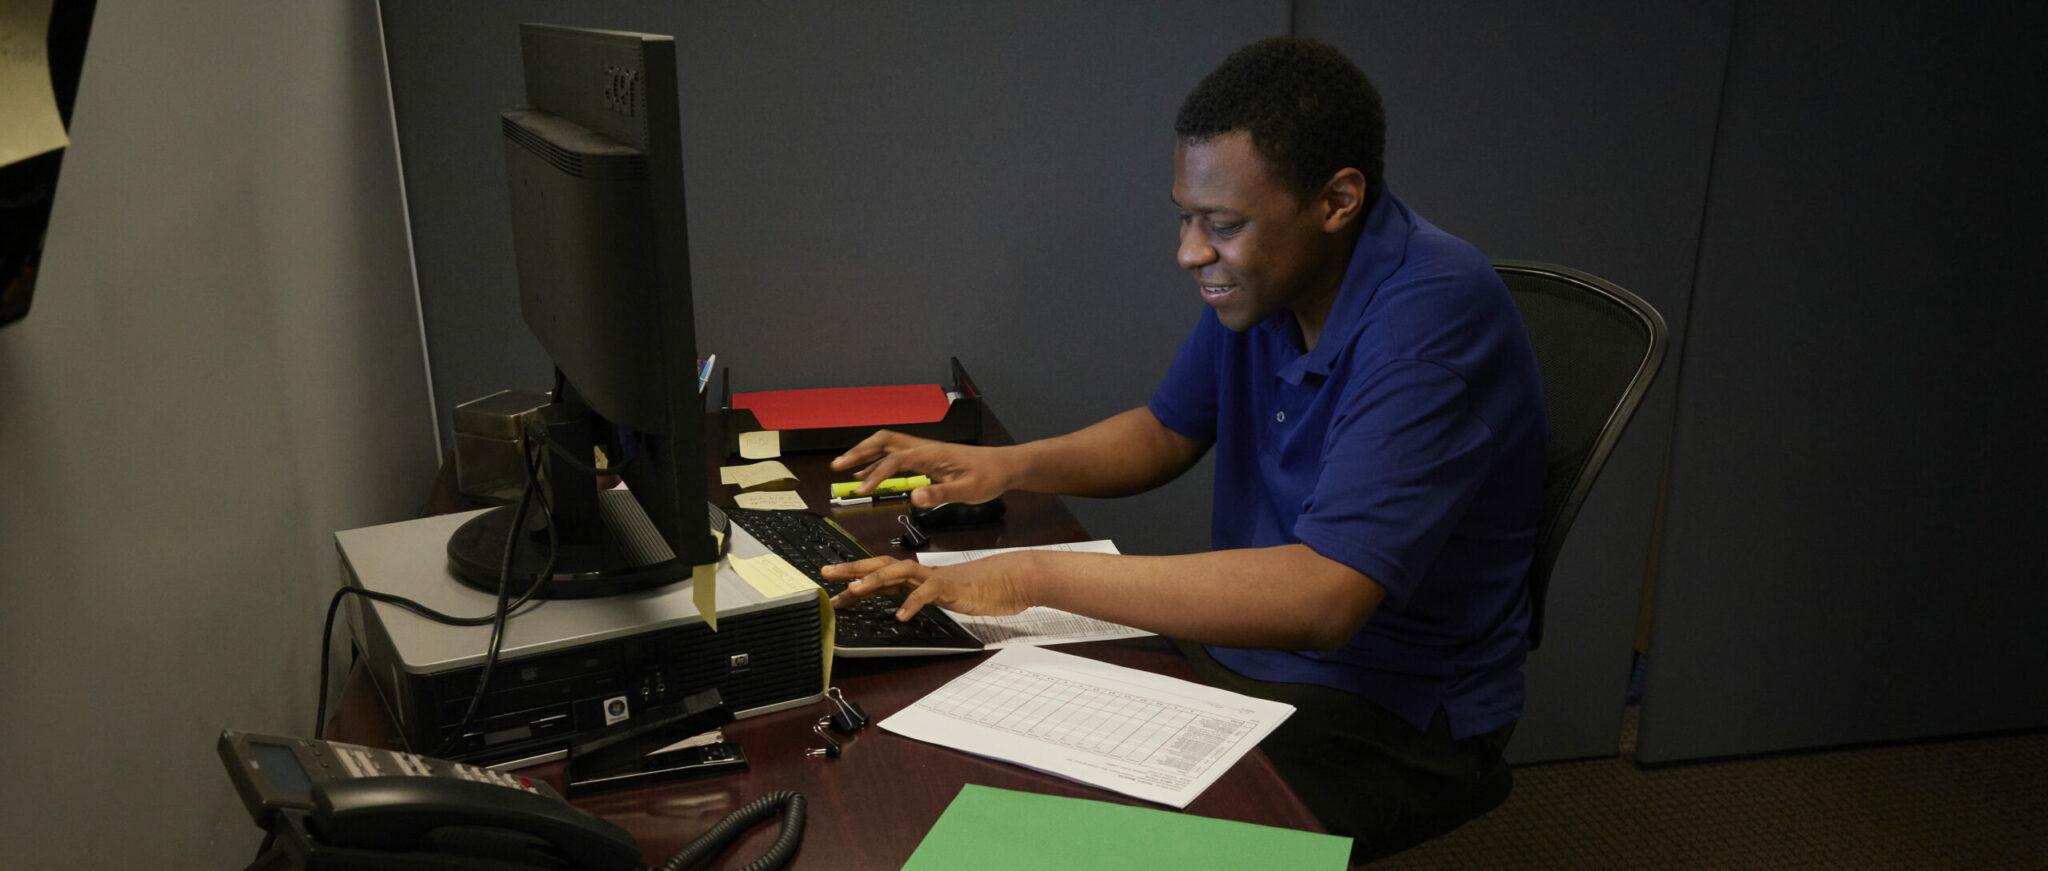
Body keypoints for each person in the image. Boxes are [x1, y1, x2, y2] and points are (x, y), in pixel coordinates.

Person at [821, 36, 1547, 863]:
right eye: (1186, 216)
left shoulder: (1432, 316)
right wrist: (1006, 466)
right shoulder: (1273, 278)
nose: (1190, 252)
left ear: (1338, 199)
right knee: (978, 764)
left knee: (1073, 844)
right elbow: (1166, 430)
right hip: (1254, 654)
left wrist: (1028, 574)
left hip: (1395, 710)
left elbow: (1323, 597)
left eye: (1223, 225)